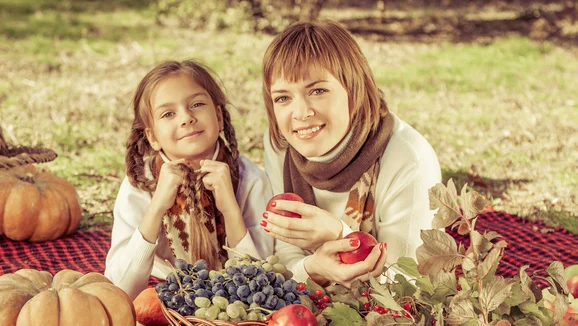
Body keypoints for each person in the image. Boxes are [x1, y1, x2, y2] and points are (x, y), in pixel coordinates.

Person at [261, 20, 442, 287]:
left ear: (353, 89)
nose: (300, 113)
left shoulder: (408, 159)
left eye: (318, 90)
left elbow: (408, 282)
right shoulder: (282, 145)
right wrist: (312, 268)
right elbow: (285, 253)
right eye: (283, 98)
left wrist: (337, 235)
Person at [106, 60, 273, 300]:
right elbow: (119, 289)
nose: (186, 118)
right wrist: (156, 209)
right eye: (168, 113)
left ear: (219, 116)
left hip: (230, 302)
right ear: (152, 137)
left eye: (196, 104)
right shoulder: (140, 184)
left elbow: (260, 286)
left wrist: (230, 210)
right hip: (164, 295)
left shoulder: (252, 179)